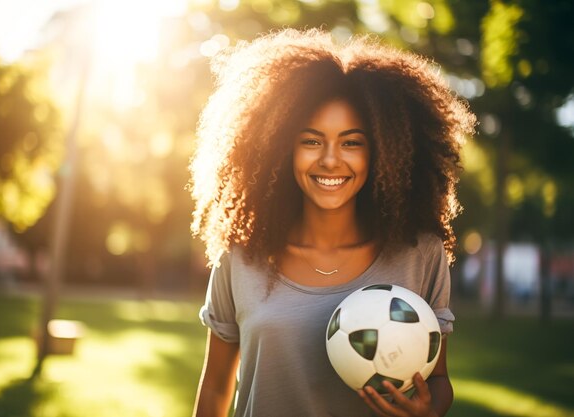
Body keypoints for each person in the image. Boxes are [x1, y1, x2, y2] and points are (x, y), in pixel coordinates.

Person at [189, 28, 475, 417]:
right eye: (311, 141)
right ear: (279, 148)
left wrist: (430, 409)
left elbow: (438, 380)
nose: (330, 160)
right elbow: (216, 387)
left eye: (352, 142)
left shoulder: (419, 254)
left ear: (385, 152)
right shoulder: (241, 256)